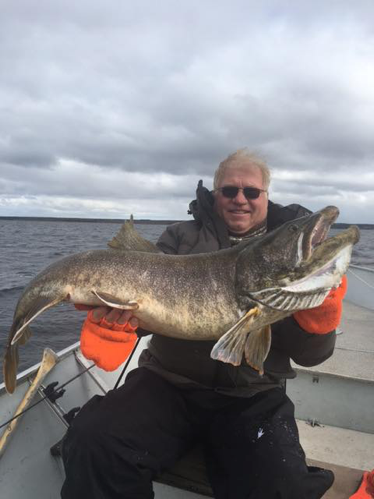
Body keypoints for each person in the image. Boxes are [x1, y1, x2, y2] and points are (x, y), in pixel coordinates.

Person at [61, 149, 346, 499]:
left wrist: (319, 315)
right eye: (229, 191)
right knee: (93, 439)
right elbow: (148, 313)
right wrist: (115, 326)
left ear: (266, 197)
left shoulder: (289, 252)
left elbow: (312, 357)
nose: (240, 199)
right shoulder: (179, 238)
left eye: (251, 192)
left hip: (252, 396)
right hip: (166, 385)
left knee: (282, 486)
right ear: (215, 196)